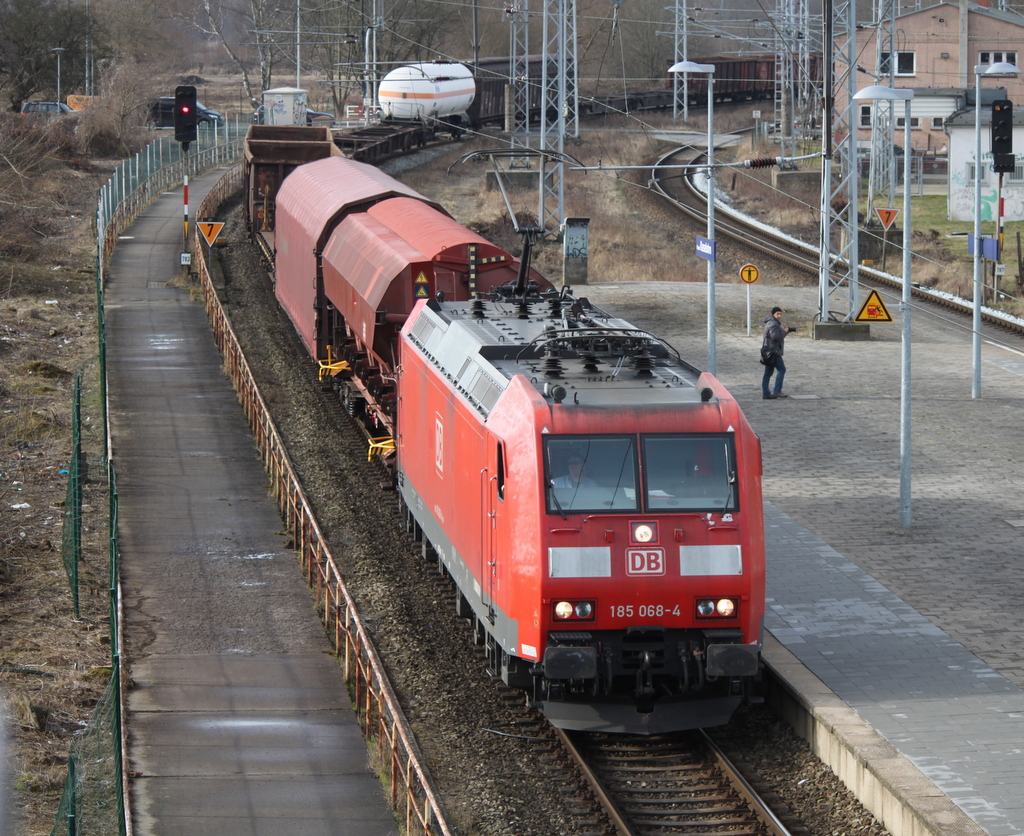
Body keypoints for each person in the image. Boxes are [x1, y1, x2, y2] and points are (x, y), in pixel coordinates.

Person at [761, 306, 795, 400]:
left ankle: (766, 393)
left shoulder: (771, 323)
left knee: (768, 373)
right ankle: (777, 391)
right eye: (778, 314)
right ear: (773, 314)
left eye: (780, 314)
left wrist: (784, 332)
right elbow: (775, 338)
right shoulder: (773, 324)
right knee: (782, 369)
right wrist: (785, 332)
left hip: (769, 351)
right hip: (773, 352)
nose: (779, 316)